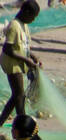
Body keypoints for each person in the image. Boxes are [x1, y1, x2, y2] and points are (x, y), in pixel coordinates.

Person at [0, 2, 41, 130]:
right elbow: (7, 49)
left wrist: (32, 56)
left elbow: (24, 46)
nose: (33, 20)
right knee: (19, 95)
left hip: (19, 63)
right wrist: (26, 60)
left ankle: (2, 122)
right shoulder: (14, 25)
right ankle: (22, 126)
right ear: (26, 12)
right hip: (12, 65)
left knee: (16, 95)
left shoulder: (24, 25)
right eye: (33, 17)